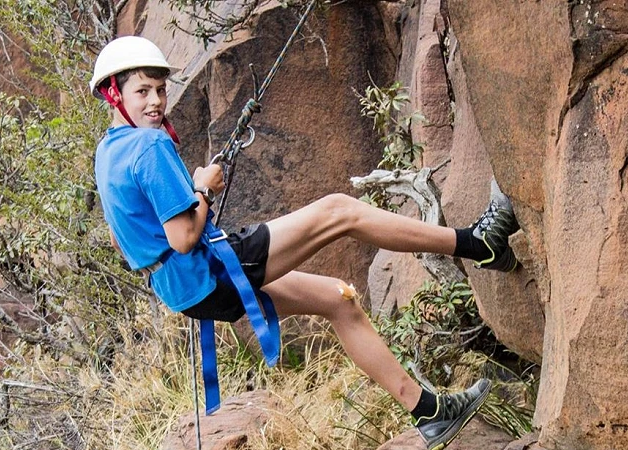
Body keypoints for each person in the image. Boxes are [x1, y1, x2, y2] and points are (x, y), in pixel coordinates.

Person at [91, 36, 520, 450]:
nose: (156, 102)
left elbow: (118, 236)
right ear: (114, 94)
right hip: (208, 272)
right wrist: (202, 189)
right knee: (339, 211)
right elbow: (183, 238)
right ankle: (479, 242)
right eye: (142, 91)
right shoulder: (148, 146)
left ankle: (429, 412)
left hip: (187, 291)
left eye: (161, 90)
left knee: (338, 299)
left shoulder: (108, 151)